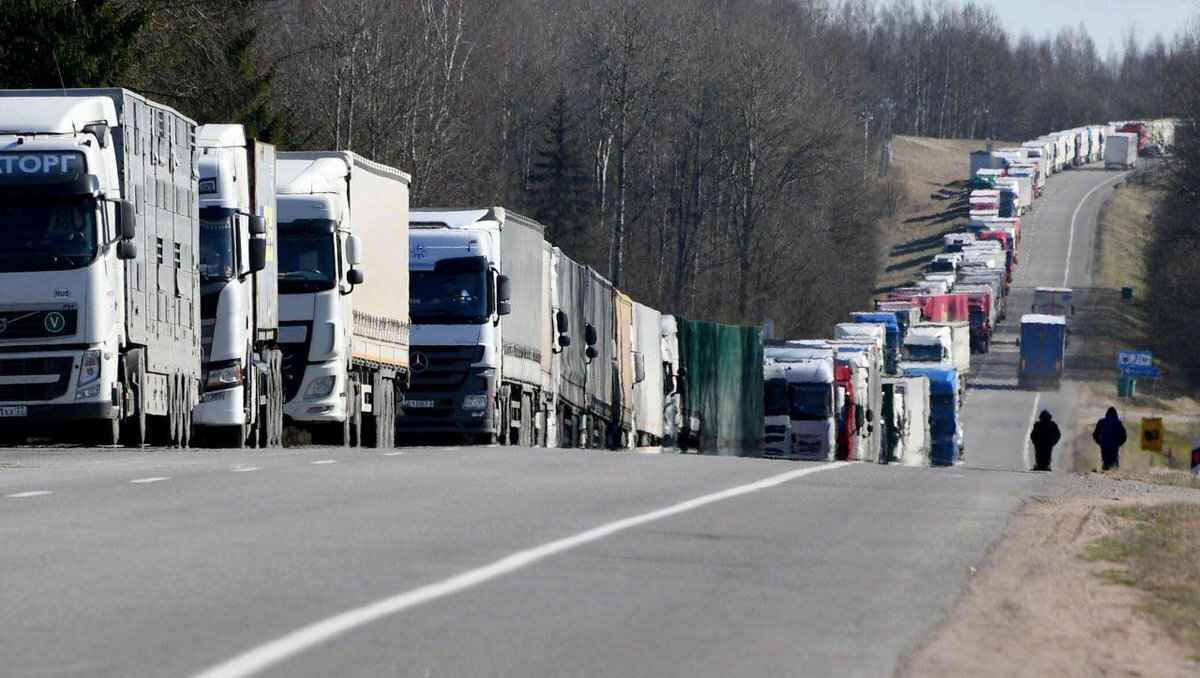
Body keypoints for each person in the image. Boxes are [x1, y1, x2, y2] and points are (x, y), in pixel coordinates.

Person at [1092, 406, 1127, 471]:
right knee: (1114, 463)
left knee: (1105, 461)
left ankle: (1105, 471)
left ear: (1107, 414)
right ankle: (1113, 472)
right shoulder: (1118, 423)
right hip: (1114, 447)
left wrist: (1100, 442)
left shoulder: (1101, 422)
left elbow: (1095, 434)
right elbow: (1124, 436)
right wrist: (1118, 444)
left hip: (1104, 446)